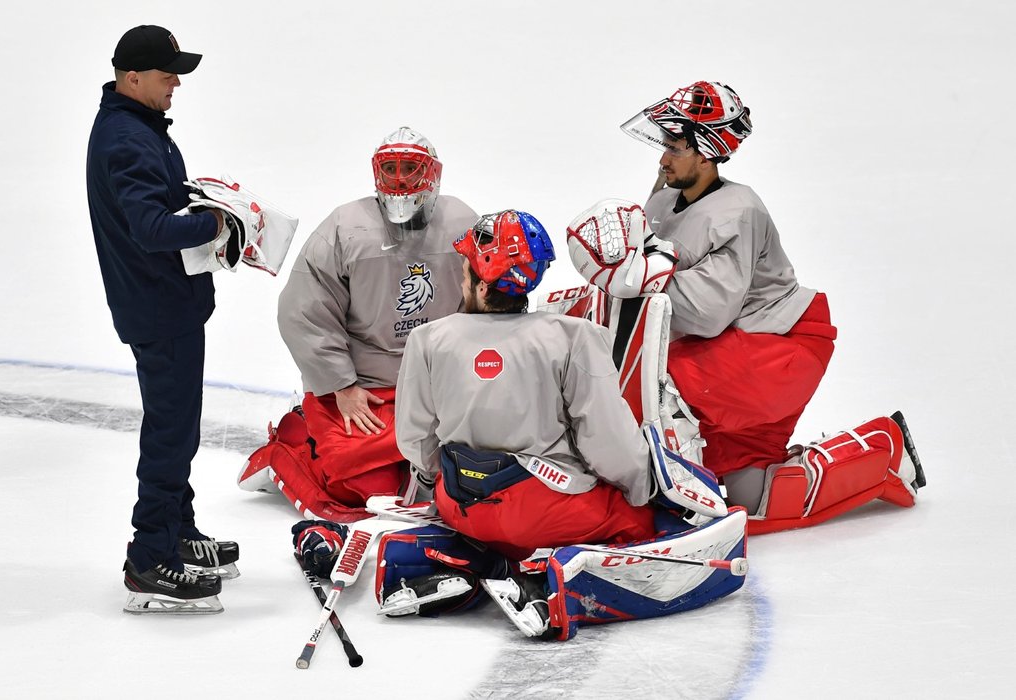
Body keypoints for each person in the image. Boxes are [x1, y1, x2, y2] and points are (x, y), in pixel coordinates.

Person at [566, 80, 926, 535]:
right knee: (745, 496)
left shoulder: (738, 210)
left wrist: (642, 279)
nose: (662, 158)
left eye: (675, 147)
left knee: (655, 379)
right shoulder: (662, 200)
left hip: (777, 347)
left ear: (706, 150)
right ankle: (884, 448)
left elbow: (708, 313)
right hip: (735, 354)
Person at [382, 210, 746, 640]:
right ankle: (543, 581)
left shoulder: (428, 339)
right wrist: (643, 490)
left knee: (498, 515)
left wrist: (437, 484)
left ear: (483, 283)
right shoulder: (573, 336)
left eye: (465, 270)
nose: (461, 279)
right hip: (541, 512)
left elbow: (415, 438)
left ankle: (476, 561)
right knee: (640, 519)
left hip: (458, 504)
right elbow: (608, 441)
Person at [86, 25, 239, 614]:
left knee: (179, 427)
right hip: (157, 308)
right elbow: (151, 229)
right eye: (168, 73)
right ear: (133, 78)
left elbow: (156, 208)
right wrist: (219, 223)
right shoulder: (126, 139)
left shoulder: (139, 127)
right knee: (172, 432)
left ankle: (178, 530)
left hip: (165, 302)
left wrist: (201, 201)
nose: (177, 83)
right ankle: (150, 555)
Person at [267, 127, 478, 521]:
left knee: (471, 474)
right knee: (362, 488)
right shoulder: (345, 227)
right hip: (365, 388)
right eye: (391, 168)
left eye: (410, 168)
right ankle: (294, 439)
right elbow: (302, 310)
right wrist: (341, 385)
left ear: (433, 174)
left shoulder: (463, 223)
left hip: (440, 383)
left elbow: (486, 301)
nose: (399, 179)